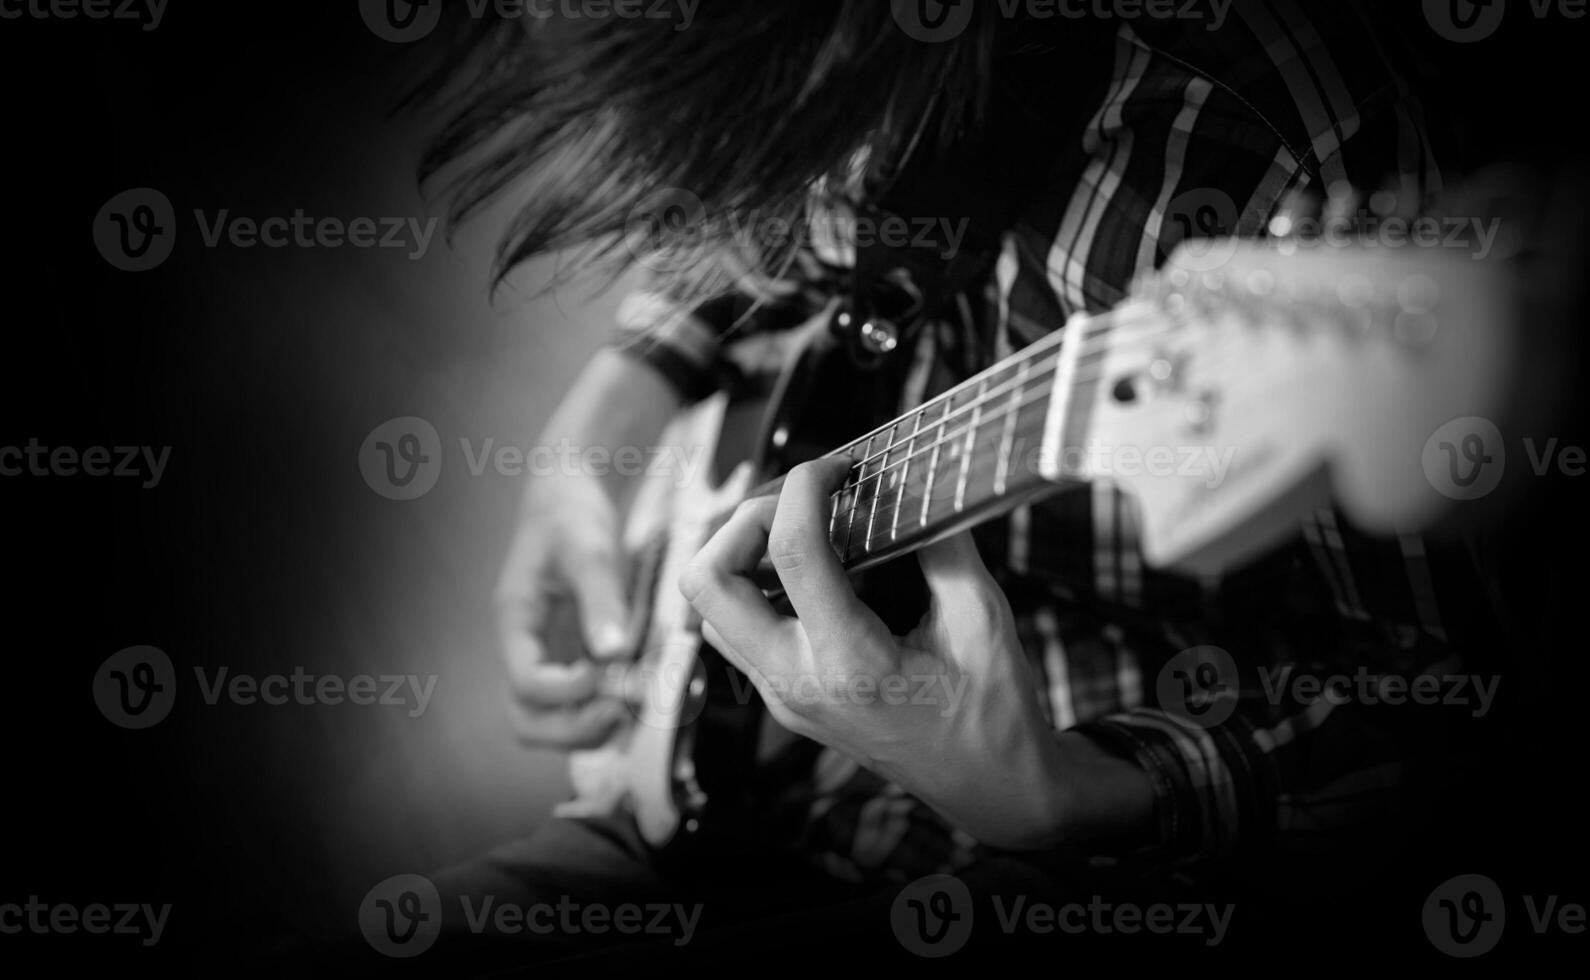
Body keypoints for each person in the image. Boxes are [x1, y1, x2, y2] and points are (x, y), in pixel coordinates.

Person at [397, 0, 1510, 965]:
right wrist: (608, 414)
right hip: (683, 798)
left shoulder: (1281, 122)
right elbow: (764, 210)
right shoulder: (799, 69)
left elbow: (1461, 707)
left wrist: (1091, 792)